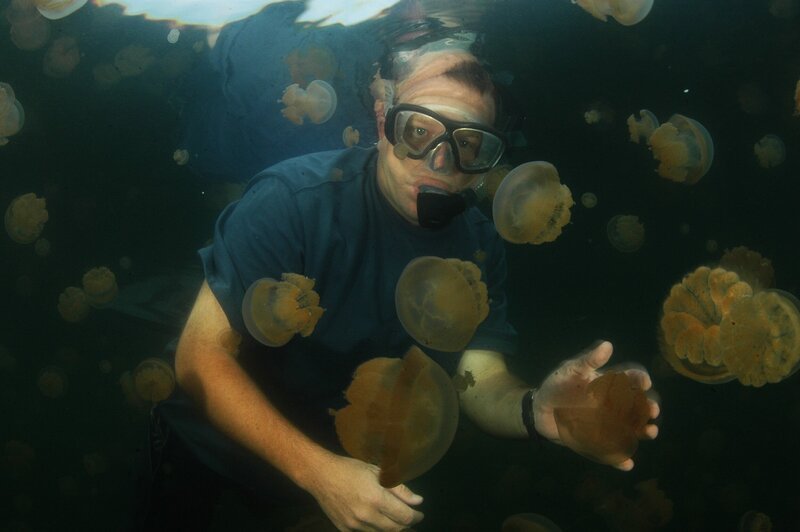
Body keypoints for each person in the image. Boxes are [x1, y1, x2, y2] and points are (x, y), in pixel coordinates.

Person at [146, 46, 660, 531]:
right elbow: (198, 357)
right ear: (381, 122)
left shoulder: (479, 245)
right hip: (211, 450)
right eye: (418, 131)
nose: (440, 161)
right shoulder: (294, 201)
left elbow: (478, 377)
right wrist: (318, 472)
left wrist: (536, 409)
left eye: (467, 144)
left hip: (337, 480)